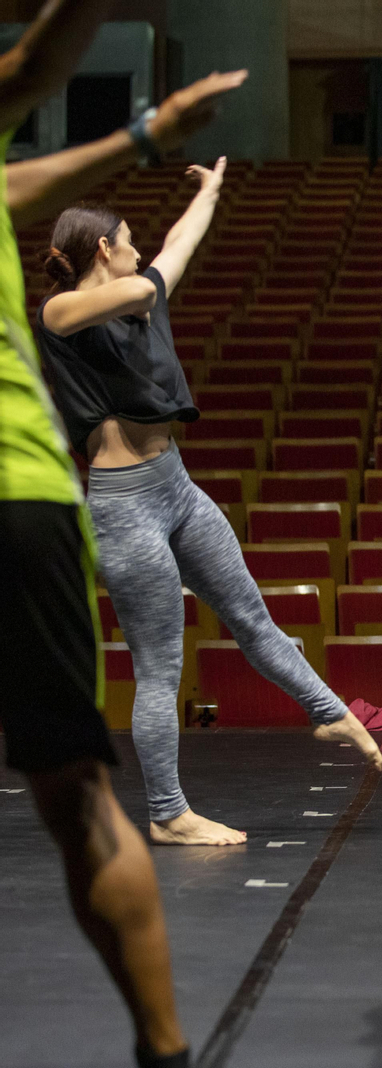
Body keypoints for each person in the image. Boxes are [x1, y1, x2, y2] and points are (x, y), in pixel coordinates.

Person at [0, 2, 248, 1062]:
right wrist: (149, 135)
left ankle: (162, 1044)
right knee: (73, 791)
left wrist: (182, 173)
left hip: (39, 490)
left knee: (75, 782)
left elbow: (29, 81)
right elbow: (33, 76)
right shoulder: (63, 304)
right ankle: (163, 1045)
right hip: (40, 493)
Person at [37, 163, 382, 849]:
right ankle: (168, 814)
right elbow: (145, 282)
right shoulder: (59, 312)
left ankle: (327, 710)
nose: (140, 250)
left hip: (176, 485)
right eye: (129, 241)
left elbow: (174, 253)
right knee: (160, 665)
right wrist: (153, 279)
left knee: (253, 617)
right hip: (124, 506)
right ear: (103, 249)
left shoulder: (139, 295)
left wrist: (209, 196)